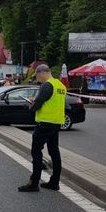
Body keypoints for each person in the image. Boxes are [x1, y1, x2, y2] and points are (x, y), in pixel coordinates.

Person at [18, 64, 66, 192]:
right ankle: (54, 182)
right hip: (56, 124)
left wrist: (31, 107)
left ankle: (34, 183)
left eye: (37, 76)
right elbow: (52, 102)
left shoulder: (47, 85)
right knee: (54, 153)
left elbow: (38, 104)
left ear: (42, 73)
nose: (38, 79)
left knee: (36, 152)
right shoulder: (60, 85)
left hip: (44, 124)